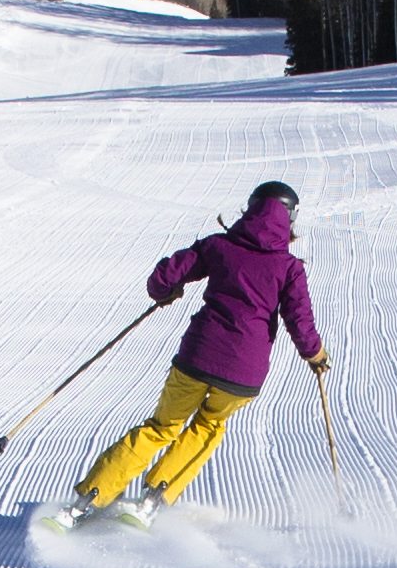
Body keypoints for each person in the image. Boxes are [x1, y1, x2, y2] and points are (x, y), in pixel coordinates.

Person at [66, 180, 330, 523]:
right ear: (291, 219)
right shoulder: (288, 268)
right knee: (207, 427)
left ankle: (85, 502)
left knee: (160, 427)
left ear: (249, 209)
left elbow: (165, 275)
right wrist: (316, 355)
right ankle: (151, 503)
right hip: (242, 374)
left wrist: (166, 291)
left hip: (197, 358)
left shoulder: (219, 247)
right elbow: (300, 321)